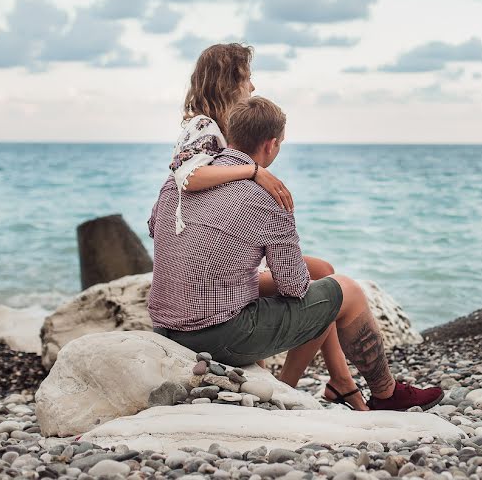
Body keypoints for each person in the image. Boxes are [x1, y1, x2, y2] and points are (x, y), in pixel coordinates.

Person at [148, 97, 444, 411]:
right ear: (272, 144)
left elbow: (157, 229)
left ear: (231, 137)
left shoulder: (178, 182)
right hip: (217, 336)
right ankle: (386, 394)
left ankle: (317, 385)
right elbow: (293, 287)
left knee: (316, 275)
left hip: (165, 327)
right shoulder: (267, 194)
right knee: (349, 292)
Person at [165, 42, 362, 408]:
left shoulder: (221, 127)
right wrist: (256, 171)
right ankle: (299, 384)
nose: (253, 87)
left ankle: (337, 379)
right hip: (206, 282)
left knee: (320, 270)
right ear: (229, 80)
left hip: (210, 267)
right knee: (315, 284)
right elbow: (187, 177)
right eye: (248, 77)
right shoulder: (202, 126)